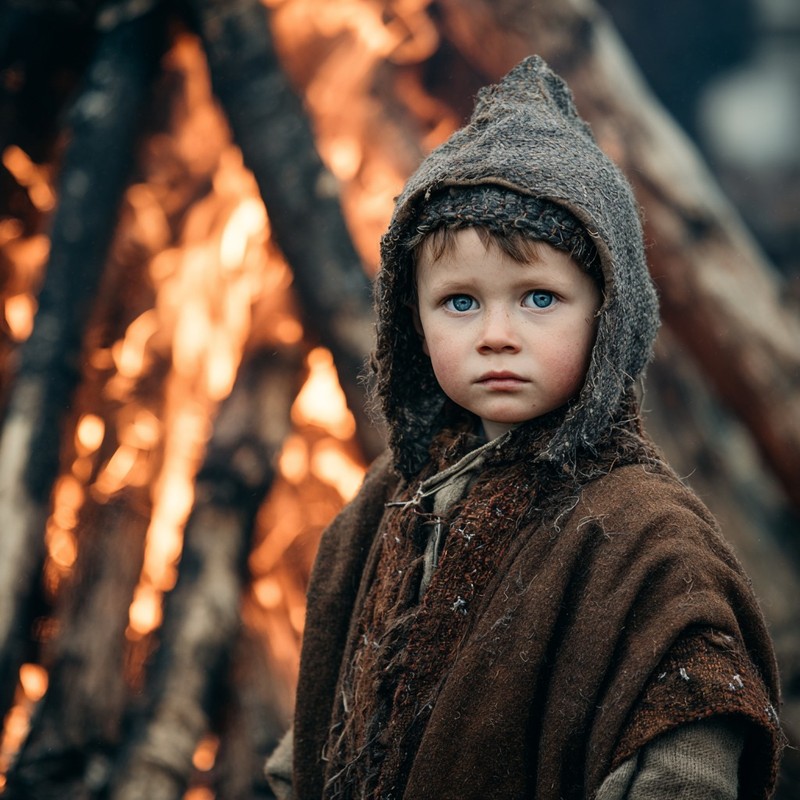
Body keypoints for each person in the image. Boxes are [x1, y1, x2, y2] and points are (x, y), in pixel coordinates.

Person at [267, 56, 783, 800]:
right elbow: (315, 734)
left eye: (539, 298)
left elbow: (685, 765)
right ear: (409, 322)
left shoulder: (648, 539)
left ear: (610, 314)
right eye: (460, 303)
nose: (496, 335)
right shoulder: (388, 503)